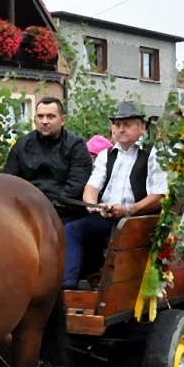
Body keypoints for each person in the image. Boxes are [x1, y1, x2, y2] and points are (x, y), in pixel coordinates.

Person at [63, 101, 168, 289]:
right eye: (117, 124)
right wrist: (94, 206)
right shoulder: (106, 154)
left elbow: (159, 195)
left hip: (138, 219)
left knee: (121, 232)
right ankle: (68, 285)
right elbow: (91, 187)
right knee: (72, 229)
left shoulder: (153, 154)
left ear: (142, 127)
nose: (121, 129)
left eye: (127, 124)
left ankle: (114, 286)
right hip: (108, 216)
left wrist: (128, 210)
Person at [3, 96, 93, 222]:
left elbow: (75, 186)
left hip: (65, 212)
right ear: (35, 119)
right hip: (26, 210)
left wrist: (48, 209)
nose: (44, 121)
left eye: (50, 117)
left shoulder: (76, 146)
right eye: (40, 116)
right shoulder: (22, 145)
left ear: (63, 120)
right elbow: (9, 181)